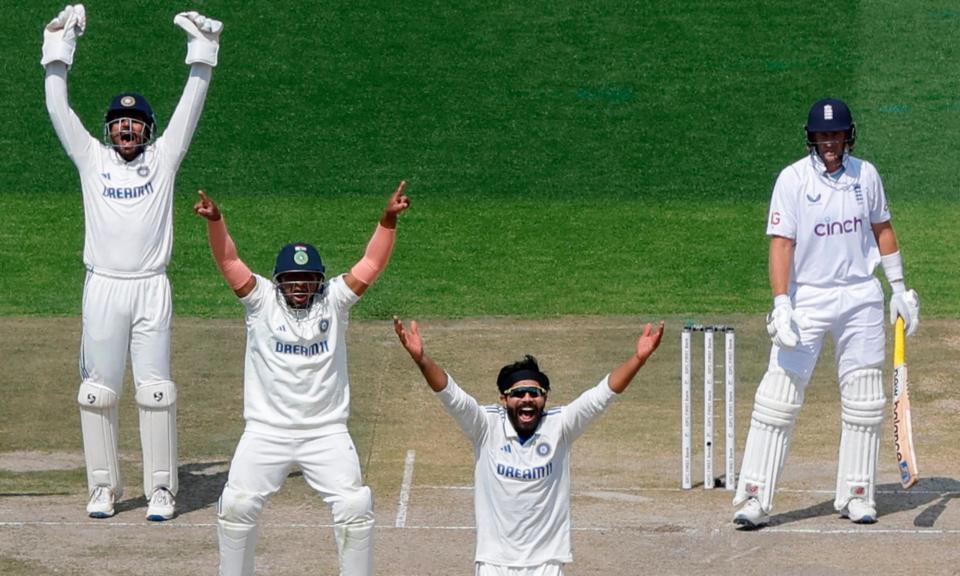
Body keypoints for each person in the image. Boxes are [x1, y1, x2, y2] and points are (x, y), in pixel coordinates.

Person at [42, 4, 222, 521]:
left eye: (135, 125)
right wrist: (59, 48)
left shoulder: (163, 159)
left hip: (150, 287)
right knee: (97, 394)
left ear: (147, 130)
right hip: (103, 287)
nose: (126, 132)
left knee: (157, 391)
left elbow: (191, 107)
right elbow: (58, 109)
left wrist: (202, 54)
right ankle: (103, 488)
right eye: (119, 124)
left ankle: (162, 491)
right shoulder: (90, 158)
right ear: (108, 130)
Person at [194, 182, 410, 576]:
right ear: (279, 280)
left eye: (307, 279)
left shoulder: (335, 299)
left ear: (319, 280)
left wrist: (388, 219)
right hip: (265, 431)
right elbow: (230, 263)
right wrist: (217, 221)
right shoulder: (260, 300)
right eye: (292, 279)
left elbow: (370, 264)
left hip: (325, 432)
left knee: (353, 508)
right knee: (237, 507)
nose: (299, 286)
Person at [732, 98, 921, 528]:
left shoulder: (866, 175)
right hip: (809, 298)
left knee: (866, 399)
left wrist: (899, 289)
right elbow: (781, 243)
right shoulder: (793, 180)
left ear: (848, 136)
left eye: (836, 134)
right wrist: (782, 304)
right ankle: (756, 498)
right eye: (823, 135)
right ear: (812, 138)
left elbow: (883, 229)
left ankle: (856, 494)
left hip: (860, 296)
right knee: (778, 396)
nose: (830, 142)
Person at [394, 316, 664, 575]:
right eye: (518, 393)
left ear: (544, 398)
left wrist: (638, 359)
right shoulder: (485, 426)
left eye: (534, 393)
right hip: (494, 563)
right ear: (503, 398)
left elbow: (601, 395)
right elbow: (452, 396)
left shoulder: (561, 426)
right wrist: (422, 360)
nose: (527, 399)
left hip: (546, 562)